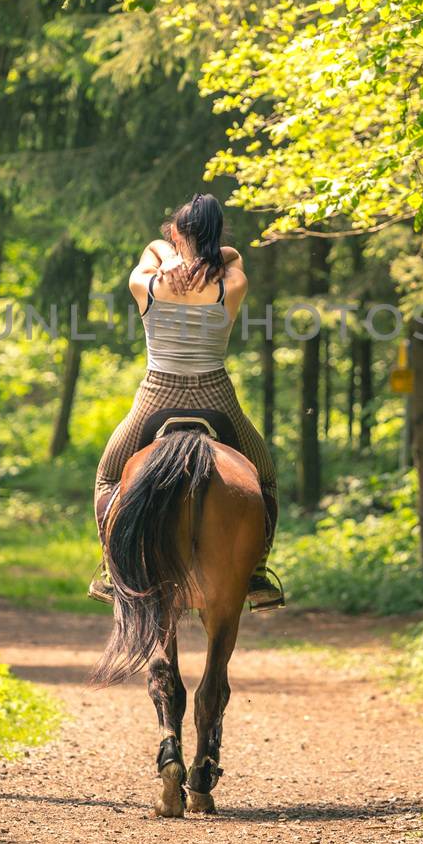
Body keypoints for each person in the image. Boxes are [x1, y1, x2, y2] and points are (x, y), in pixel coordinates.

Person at [89, 193, 285, 611]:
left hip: (156, 395)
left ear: (176, 233)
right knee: (264, 478)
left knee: (108, 477)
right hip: (216, 397)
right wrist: (204, 255)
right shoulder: (231, 283)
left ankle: (109, 568)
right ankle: (258, 570)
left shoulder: (148, 282)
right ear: (216, 235)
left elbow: (150, 251)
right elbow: (231, 256)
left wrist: (166, 253)